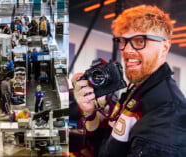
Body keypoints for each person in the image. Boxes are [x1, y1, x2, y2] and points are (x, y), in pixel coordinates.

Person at [73, 5, 186, 157]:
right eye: (122, 41)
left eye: (140, 41)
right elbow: (107, 141)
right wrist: (89, 111)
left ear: (164, 47)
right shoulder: (136, 89)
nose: (126, 50)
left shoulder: (167, 112)